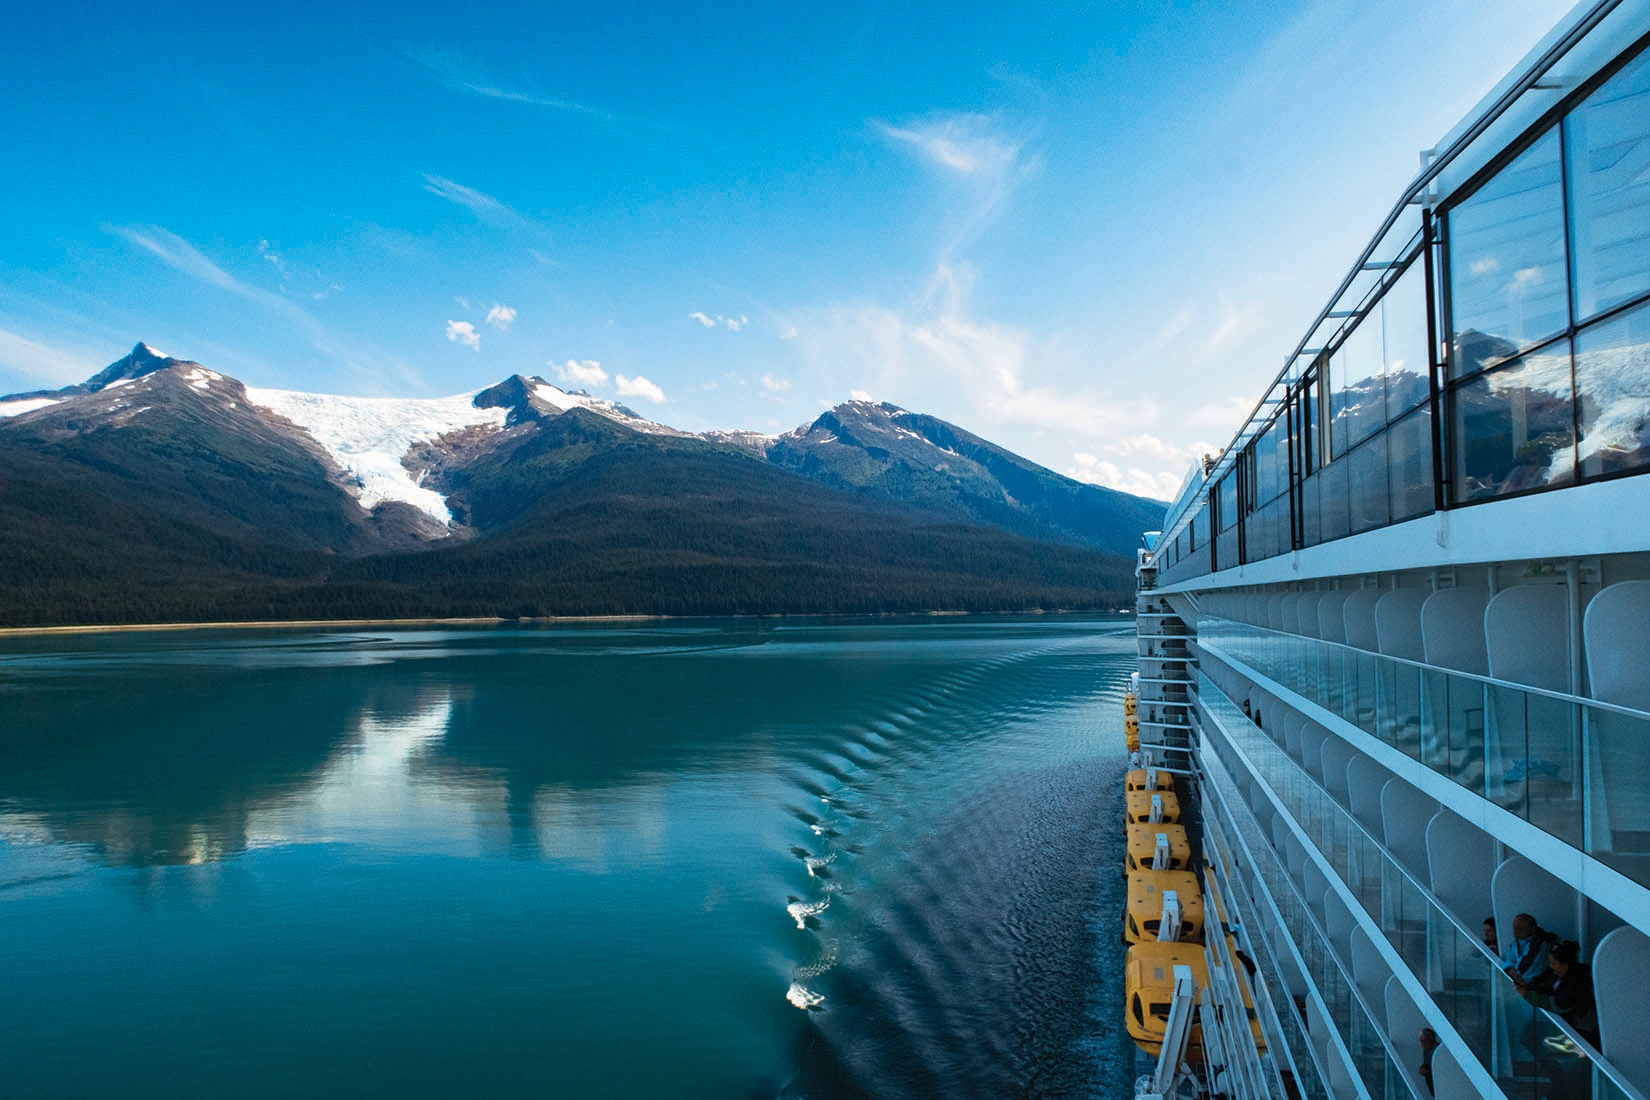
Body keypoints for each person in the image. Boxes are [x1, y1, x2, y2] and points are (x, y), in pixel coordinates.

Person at [1500, 913, 1556, 988]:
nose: (1515, 932)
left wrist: (1516, 976)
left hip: (1535, 987)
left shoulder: (1541, 945)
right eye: (1514, 928)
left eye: (1520, 929)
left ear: (1532, 929)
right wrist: (1510, 970)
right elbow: (1509, 959)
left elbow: (1530, 969)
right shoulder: (1514, 944)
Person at [1417, 1027, 1437, 1096]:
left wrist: (1427, 1072)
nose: (1421, 1044)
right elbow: (1426, 1064)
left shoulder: (1437, 1053)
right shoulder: (1426, 1050)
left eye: (1423, 1041)